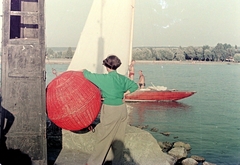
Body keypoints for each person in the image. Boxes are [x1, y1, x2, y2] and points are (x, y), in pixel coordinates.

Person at [83, 55, 138, 165]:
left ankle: (94, 163)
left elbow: (86, 74)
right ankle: (117, 162)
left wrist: (81, 70)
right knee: (119, 138)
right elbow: (135, 86)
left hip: (110, 109)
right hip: (122, 110)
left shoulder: (104, 78)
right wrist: (123, 94)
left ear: (107, 66)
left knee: (104, 137)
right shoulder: (122, 78)